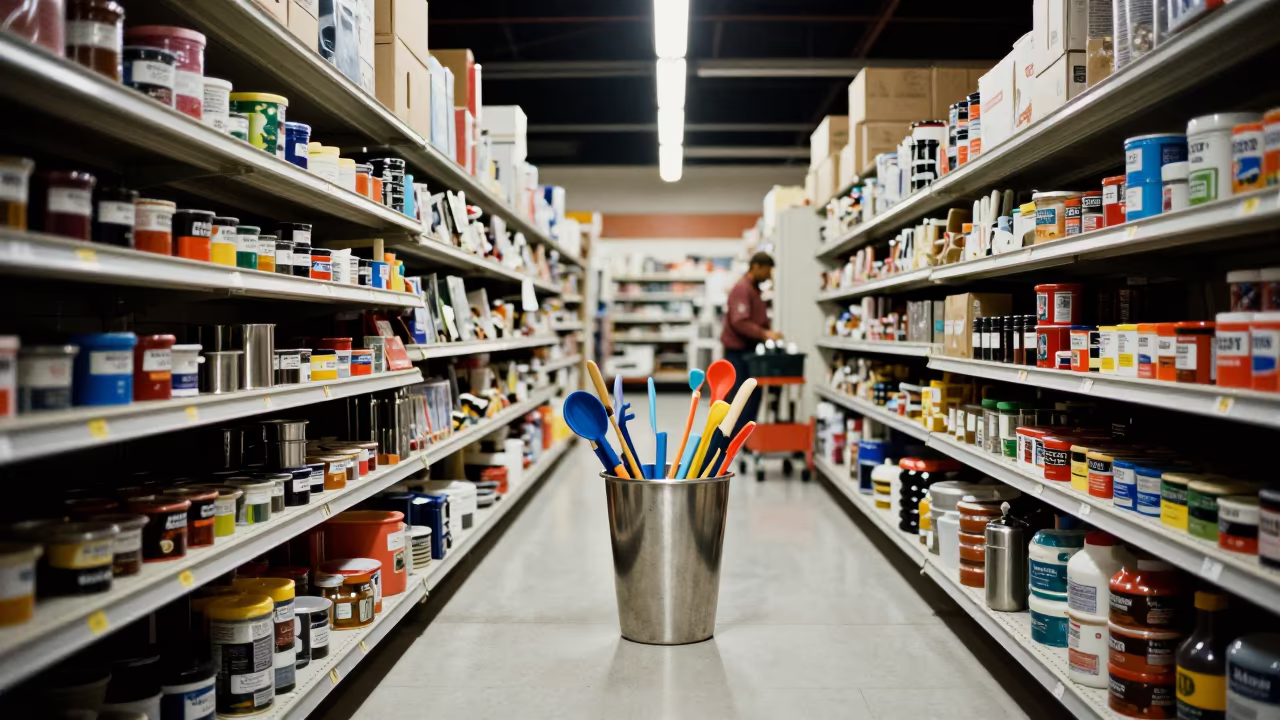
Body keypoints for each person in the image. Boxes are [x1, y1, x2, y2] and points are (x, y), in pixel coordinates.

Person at [720, 251, 781, 439]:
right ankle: (733, 443)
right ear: (756, 267)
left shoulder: (754, 290)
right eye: (767, 270)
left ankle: (744, 440)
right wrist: (764, 334)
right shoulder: (742, 289)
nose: (769, 275)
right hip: (738, 354)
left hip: (749, 352)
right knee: (741, 400)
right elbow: (740, 321)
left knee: (751, 398)